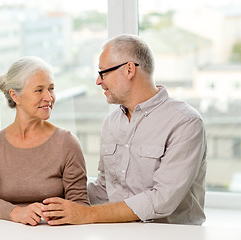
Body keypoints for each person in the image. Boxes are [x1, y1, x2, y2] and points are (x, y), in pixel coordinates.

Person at [42, 34, 207, 225]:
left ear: (129, 70)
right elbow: (105, 189)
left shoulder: (185, 122)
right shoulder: (111, 122)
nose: (98, 81)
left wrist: (86, 215)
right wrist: (53, 192)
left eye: (103, 72)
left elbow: (162, 199)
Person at [0, 56, 89, 226]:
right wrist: (17, 213)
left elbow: (80, 206)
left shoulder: (67, 142)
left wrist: (58, 214)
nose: (49, 97)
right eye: (39, 90)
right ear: (15, 96)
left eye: (51, 88)